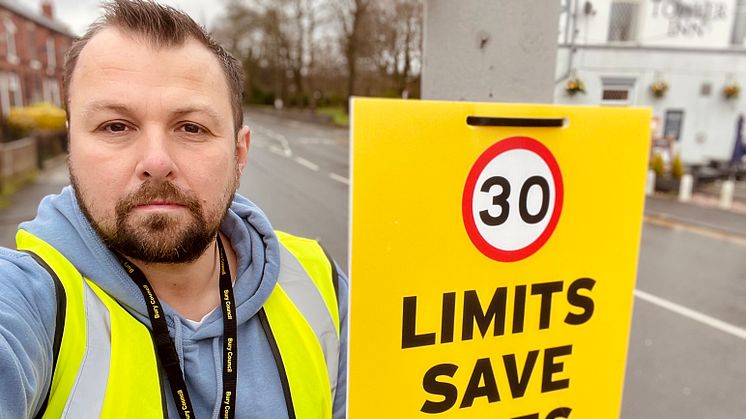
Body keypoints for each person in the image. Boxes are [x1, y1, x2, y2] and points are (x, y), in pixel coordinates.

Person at [0, 1, 348, 418]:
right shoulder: (27, 299)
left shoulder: (320, 281)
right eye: (116, 126)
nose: (156, 160)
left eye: (191, 127)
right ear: (70, 145)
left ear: (239, 153)